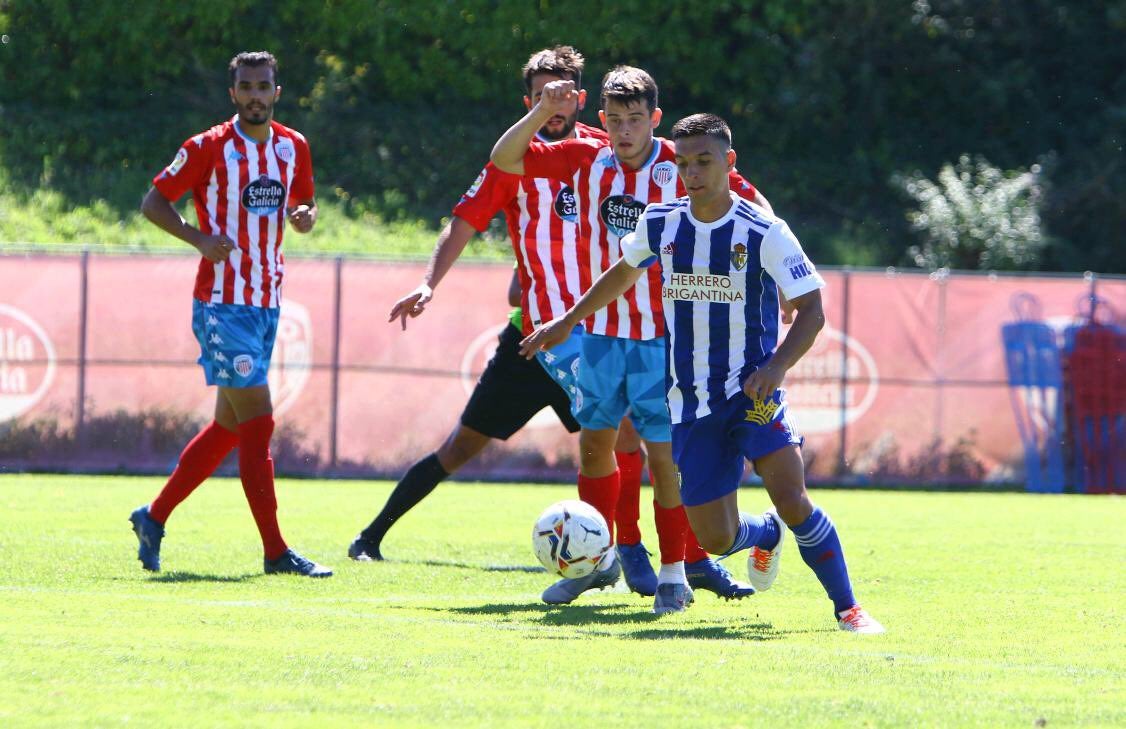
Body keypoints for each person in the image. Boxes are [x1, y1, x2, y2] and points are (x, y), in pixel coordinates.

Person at [521, 113, 885, 633]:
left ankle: (849, 608)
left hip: (754, 394)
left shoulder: (764, 230)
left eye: (703, 161)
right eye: (683, 163)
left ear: (728, 162)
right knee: (715, 539)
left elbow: (813, 310)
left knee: (792, 497)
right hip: (690, 403)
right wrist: (567, 320)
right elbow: (621, 273)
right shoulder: (662, 223)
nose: (692, 172)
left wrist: (776, 368)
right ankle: (765, 536)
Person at [491, 67, 767, 613]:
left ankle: (672, 575)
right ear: (601, 122)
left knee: (665, 459)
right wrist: (543, 111)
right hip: (599, 334)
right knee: (595, 447)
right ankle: (595, 566)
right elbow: (504, 159)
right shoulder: (586, 159)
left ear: (654, 120)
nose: (624, 131)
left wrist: (778, 275)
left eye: (635, 120)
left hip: (663, 339)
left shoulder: (679, 162)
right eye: (614, 120)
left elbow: (756, 206)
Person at [128, 51, 332, 578]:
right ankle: (275, 551)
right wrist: (198, 238)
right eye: (246, 87)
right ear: (233, 94)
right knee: (259, 423)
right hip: (221, 304)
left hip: (267, 303)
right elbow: (154, 202)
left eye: (264, 86)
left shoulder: (294, 147)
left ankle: (153, 518)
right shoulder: (207, 147)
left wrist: (305, 218)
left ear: (277, 92)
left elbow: (302, 212)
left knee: (229, 428)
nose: (255, 95)